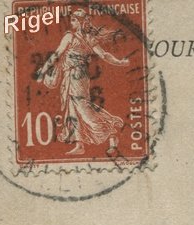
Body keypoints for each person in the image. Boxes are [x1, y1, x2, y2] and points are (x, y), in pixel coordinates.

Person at [34, 9, 130, 156]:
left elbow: (57, 55)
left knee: (83, 108)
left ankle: (111, 132)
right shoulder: (85, 38)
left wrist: (42, 71)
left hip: (76, 76)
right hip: (75, 75)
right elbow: (103, 55)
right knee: (72, 108)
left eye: (73, 20)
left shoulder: (71, 37)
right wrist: (119, 62)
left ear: (79, 22)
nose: (71, 23)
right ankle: (80, 145)